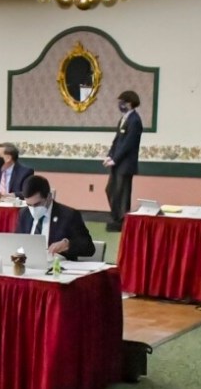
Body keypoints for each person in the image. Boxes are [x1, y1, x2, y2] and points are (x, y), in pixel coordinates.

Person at [15, 175, 95, 261]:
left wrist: (67, 244)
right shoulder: (24, 214)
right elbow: (17, 241)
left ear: (49, 197)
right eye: (29, 205)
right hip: (29, 264)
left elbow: (88, 247)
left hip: (58, 266)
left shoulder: (68, 215)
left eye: (37, 204)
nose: (33, 209)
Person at [103, 90, 142, 232]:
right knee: (111, 190)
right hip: (117, 163)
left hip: (126, 165)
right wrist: (110, 155)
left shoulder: (135, 121)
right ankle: (116, 217)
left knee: (122, 193)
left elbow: (128, 144)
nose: (120, 104)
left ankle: (122, 220)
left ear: (130, 103)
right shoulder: (123, 119)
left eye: (122, 102)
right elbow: (117, 140)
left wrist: (115, 159)